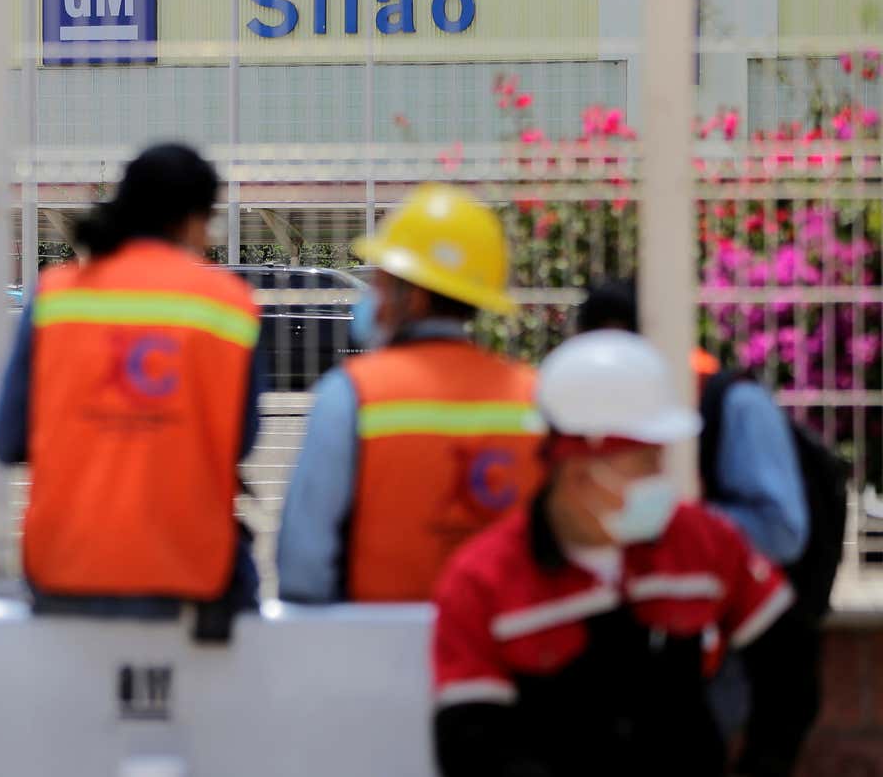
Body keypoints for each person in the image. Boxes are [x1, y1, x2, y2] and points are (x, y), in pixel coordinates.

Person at [431, 330, 798, 777]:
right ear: (579, 472)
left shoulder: (700, 541)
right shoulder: (482, 582)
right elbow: (471, 745)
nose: (661, 479)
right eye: (645, 464)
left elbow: (787, 663)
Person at [0, 143, 264, 630]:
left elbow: (5, 441)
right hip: (187, 579)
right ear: (195, 219)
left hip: (63, 570)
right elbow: (240, 442)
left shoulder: (56, 295)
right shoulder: (230, 304)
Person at [579, 279, 818, 776]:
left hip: (714, 649)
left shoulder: (733, 406)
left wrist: (677, 526)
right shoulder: (590, 414)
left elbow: (782, 531)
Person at [276, 184, 544, 603]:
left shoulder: (350, 395)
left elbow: (302, 568)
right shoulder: (533, 396)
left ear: (412, 297)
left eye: (381, 283)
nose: (372, 299)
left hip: (374, 649)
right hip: (499, 649)